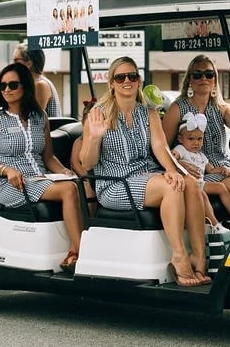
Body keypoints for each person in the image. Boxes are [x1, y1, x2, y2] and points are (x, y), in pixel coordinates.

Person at [80, 57, 210, 286]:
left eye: (132, 76)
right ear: (111, 83)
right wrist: (95, 138)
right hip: (114, 183)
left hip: (144, 176)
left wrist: (172, 170)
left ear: (139, 81)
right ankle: (179, 256)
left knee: (188, 182)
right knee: (171, 187)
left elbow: (160, 148)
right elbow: (87, 163)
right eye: (120, 77)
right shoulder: (98, 114)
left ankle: (198, 256)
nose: (127, 81)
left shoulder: (148, 113)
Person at [0, 63, 83, 273]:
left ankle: (76, 246)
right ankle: (80, 252)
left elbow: (48, 157)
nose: (6, 90)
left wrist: (65, 172)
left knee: (81, 185)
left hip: (40, 178)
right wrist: (6, 170)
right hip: (12, 184)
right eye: (2, 86)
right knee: (69, 190)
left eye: (13, 85)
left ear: (25, 86)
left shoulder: (40, 117)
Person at [162, 55, 230, 220]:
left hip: (225, 166)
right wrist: (178, 163)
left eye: (209, 74)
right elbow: (161, 146)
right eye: (197, 74)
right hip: (201, 171)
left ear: (214, 80)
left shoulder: (221, 108)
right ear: (190, 81)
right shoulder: (177, 108)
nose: (203, 78)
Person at [172, 112, 230, 222]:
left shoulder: (201, 155)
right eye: (191, 139)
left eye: (199, 139)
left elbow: (211, 169)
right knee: (202, 195)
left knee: (221, 187)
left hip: (200, 183)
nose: (196, 143)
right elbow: (171, 157)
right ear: (180, 138)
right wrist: (179, 162)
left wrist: (222, 169)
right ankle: (215, 224)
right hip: (189, 185)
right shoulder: (181, 149)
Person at [12, 43, 61, 116]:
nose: (12, 64)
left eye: (16, 60)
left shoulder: (40, 85)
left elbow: (34, 119)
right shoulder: (33, 84)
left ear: (29, 64)